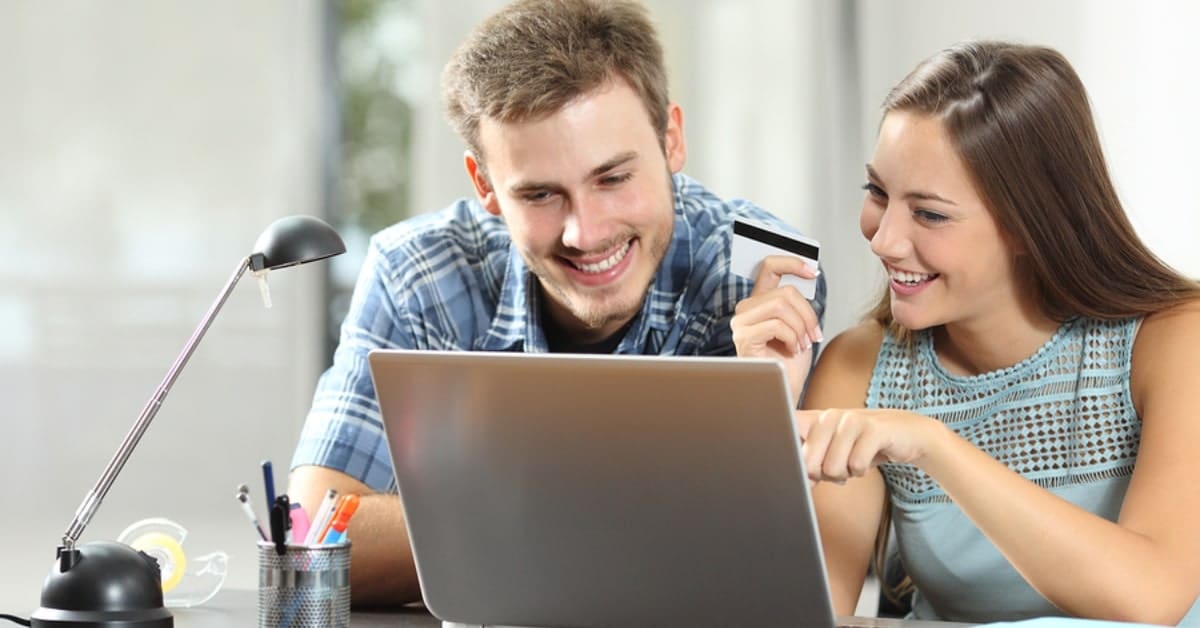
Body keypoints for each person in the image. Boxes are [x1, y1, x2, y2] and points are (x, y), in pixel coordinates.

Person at [288, 0, 826, 606]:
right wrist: (620, 511)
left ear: (671, 140)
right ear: (486, 185)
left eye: (613, 178)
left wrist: (491, 517)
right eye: (541, 194)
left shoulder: (759, 274)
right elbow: (314, 541)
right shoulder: (417, 273)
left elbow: (757, 568)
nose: (585, 232)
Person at [737, 40, 1200, 623]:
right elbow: (800, 616)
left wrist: (933, 445)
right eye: (878, 192)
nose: (883, 240)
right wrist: (761, 417)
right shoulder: (861, 368)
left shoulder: (1174, 339)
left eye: (929, 213)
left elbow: (1150, 597)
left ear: (1033, 224)